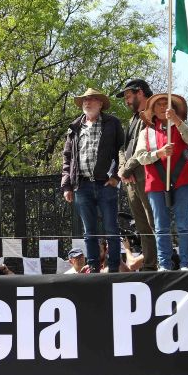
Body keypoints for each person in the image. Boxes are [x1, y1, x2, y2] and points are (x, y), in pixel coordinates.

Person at [127, 93, 188, 271]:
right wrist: (159, 153)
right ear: (153, 111)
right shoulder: (146, 133)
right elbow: (140, 157)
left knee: (183, 224)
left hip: (182, 179)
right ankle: (164, 264)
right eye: (159, 104)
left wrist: (177, 120)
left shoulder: (181, 126)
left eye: (167, 103)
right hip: (156, 181)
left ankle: (186, 263)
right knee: (161, 226)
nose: (163, 107)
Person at [61, 88, 125, 273]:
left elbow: (122, 150)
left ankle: (114, 268)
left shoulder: (112, 123)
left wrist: (116, 177)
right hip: (82, 185)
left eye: (91, 99)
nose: (87, 103)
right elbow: (67, 158)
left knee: (111, 229)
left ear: (101, 104)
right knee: (89, 231)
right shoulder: (74, 127)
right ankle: (94, 269)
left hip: (106, 183)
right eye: (84, 100)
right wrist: (67, 186)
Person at [116, 79, 158, 272]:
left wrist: (128, 168)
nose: (126, 101)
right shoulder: (132, 120)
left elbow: (147, 147)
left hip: (149, 176)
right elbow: (123, 148)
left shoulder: (154, 112)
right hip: (130, 179)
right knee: (142, 225)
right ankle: (149, 266)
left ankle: (163, 263)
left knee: (154, 222)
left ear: (139, 92)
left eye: (128, 96)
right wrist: (122, 169)